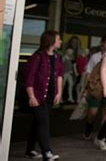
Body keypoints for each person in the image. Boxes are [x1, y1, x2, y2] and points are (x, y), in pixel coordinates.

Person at [24, 30, 64, 160]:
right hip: (38, 96)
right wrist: (31, 96)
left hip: (50, 96)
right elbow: (29, 78)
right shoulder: (37, 56)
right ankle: (47, 153)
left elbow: (59, 76)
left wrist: (59, 93)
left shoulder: (57, 57)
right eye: (58, 39)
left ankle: (30, 149)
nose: (60, 41)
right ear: (51, 41)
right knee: (43, 123)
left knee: (38, 122)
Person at [82, 34, 106, 140]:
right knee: (93, 112)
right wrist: (86, 89)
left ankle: (103, 135)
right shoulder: (95, 57)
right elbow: (88, 73)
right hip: (96, 88)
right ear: (102, 44)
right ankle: (89, 125)